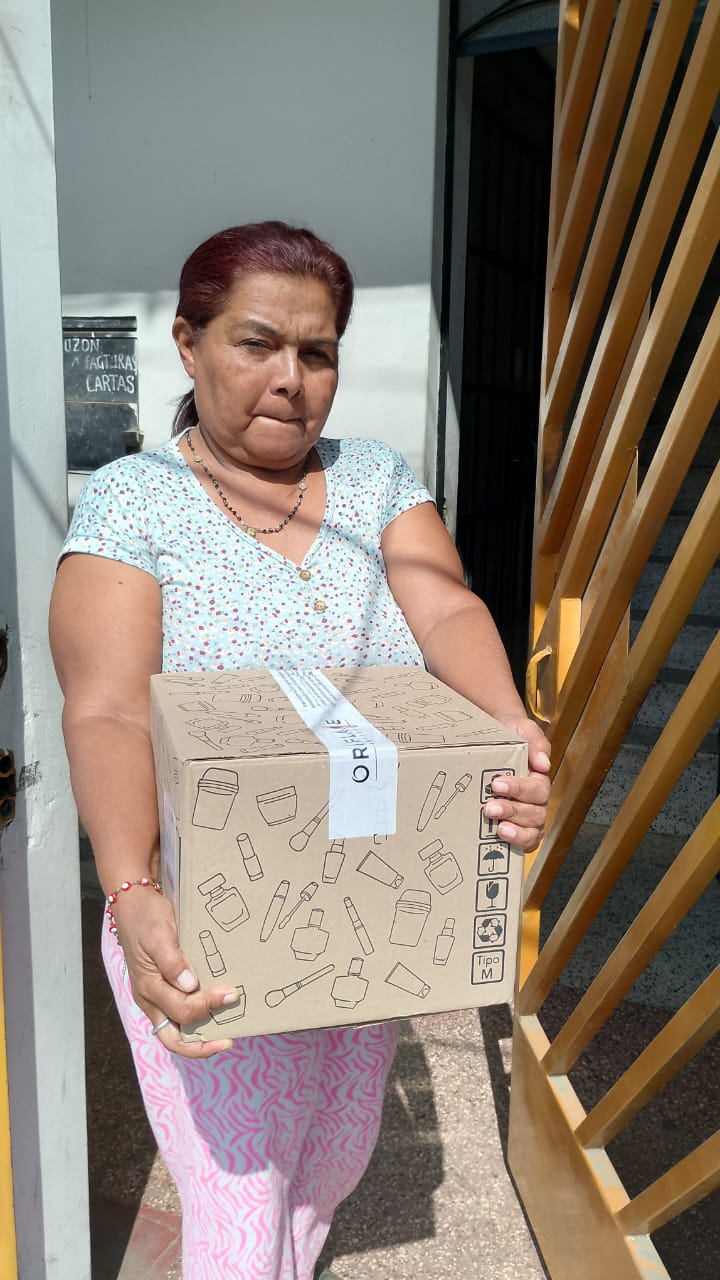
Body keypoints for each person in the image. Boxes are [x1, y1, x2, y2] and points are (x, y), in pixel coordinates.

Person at [50, 221, 551, 1280]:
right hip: (201, 919)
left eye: (317, 352)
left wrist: (507, 725)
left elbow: (446, 605)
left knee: (330, 1166)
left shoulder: (374, 480)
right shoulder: (135, 499)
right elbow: (107, 712)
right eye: (256, 343)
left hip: (365, 913)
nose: (290, 378)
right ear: (189, 343)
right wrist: (131, 889)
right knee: (241, 1208)